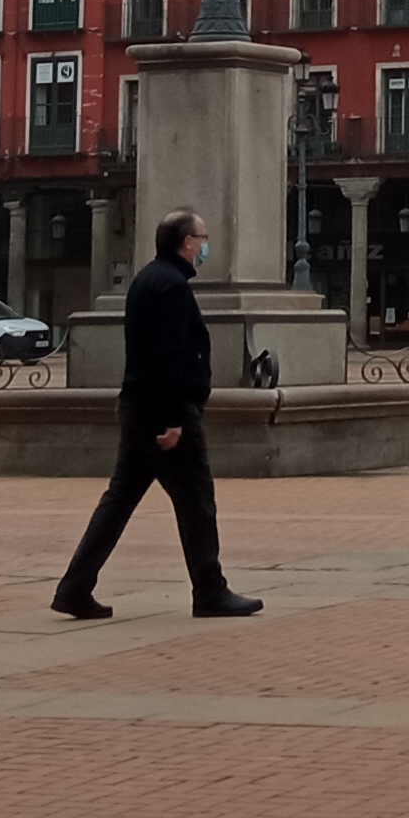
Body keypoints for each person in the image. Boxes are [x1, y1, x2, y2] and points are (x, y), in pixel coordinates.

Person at [50, 208, 262, 623]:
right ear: (187, 242)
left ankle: (75, 587)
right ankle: (210, 591)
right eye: (202, 238)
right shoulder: (172, 287)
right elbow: (169, 356)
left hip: (138, 405)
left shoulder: (148, 279)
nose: (205, 245)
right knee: (197, 501)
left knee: (120, 500)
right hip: (163, 412)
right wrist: (175, 419)